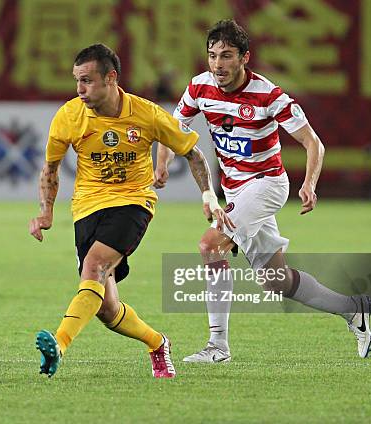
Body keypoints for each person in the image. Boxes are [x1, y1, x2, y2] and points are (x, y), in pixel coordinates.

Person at [155, 20, 371, 363]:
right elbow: (172, 128)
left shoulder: (269, 95)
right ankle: (353, 309)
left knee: (210, 246)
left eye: (226, 56)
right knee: (277, 280)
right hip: (236, 193)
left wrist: (310, 184)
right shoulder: (199, 88)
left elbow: (313, 144)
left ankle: (218, 346)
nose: (218, 64)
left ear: (245, 58)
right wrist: (162, 164)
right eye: (212, 56)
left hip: (268, 185)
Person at [29, 43, 233, 378]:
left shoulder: (146, 114)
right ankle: (157, 343)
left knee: (94, 266)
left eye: (87, 81)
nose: (79, 89)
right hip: (86, 208)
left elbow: (193, 154)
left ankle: (59, 344)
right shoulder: (68, 116)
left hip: (133, 203)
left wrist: (209, 196)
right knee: (106, 309)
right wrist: (45, 212)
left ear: (111, 78)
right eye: (76, 81)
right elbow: (50, 169)